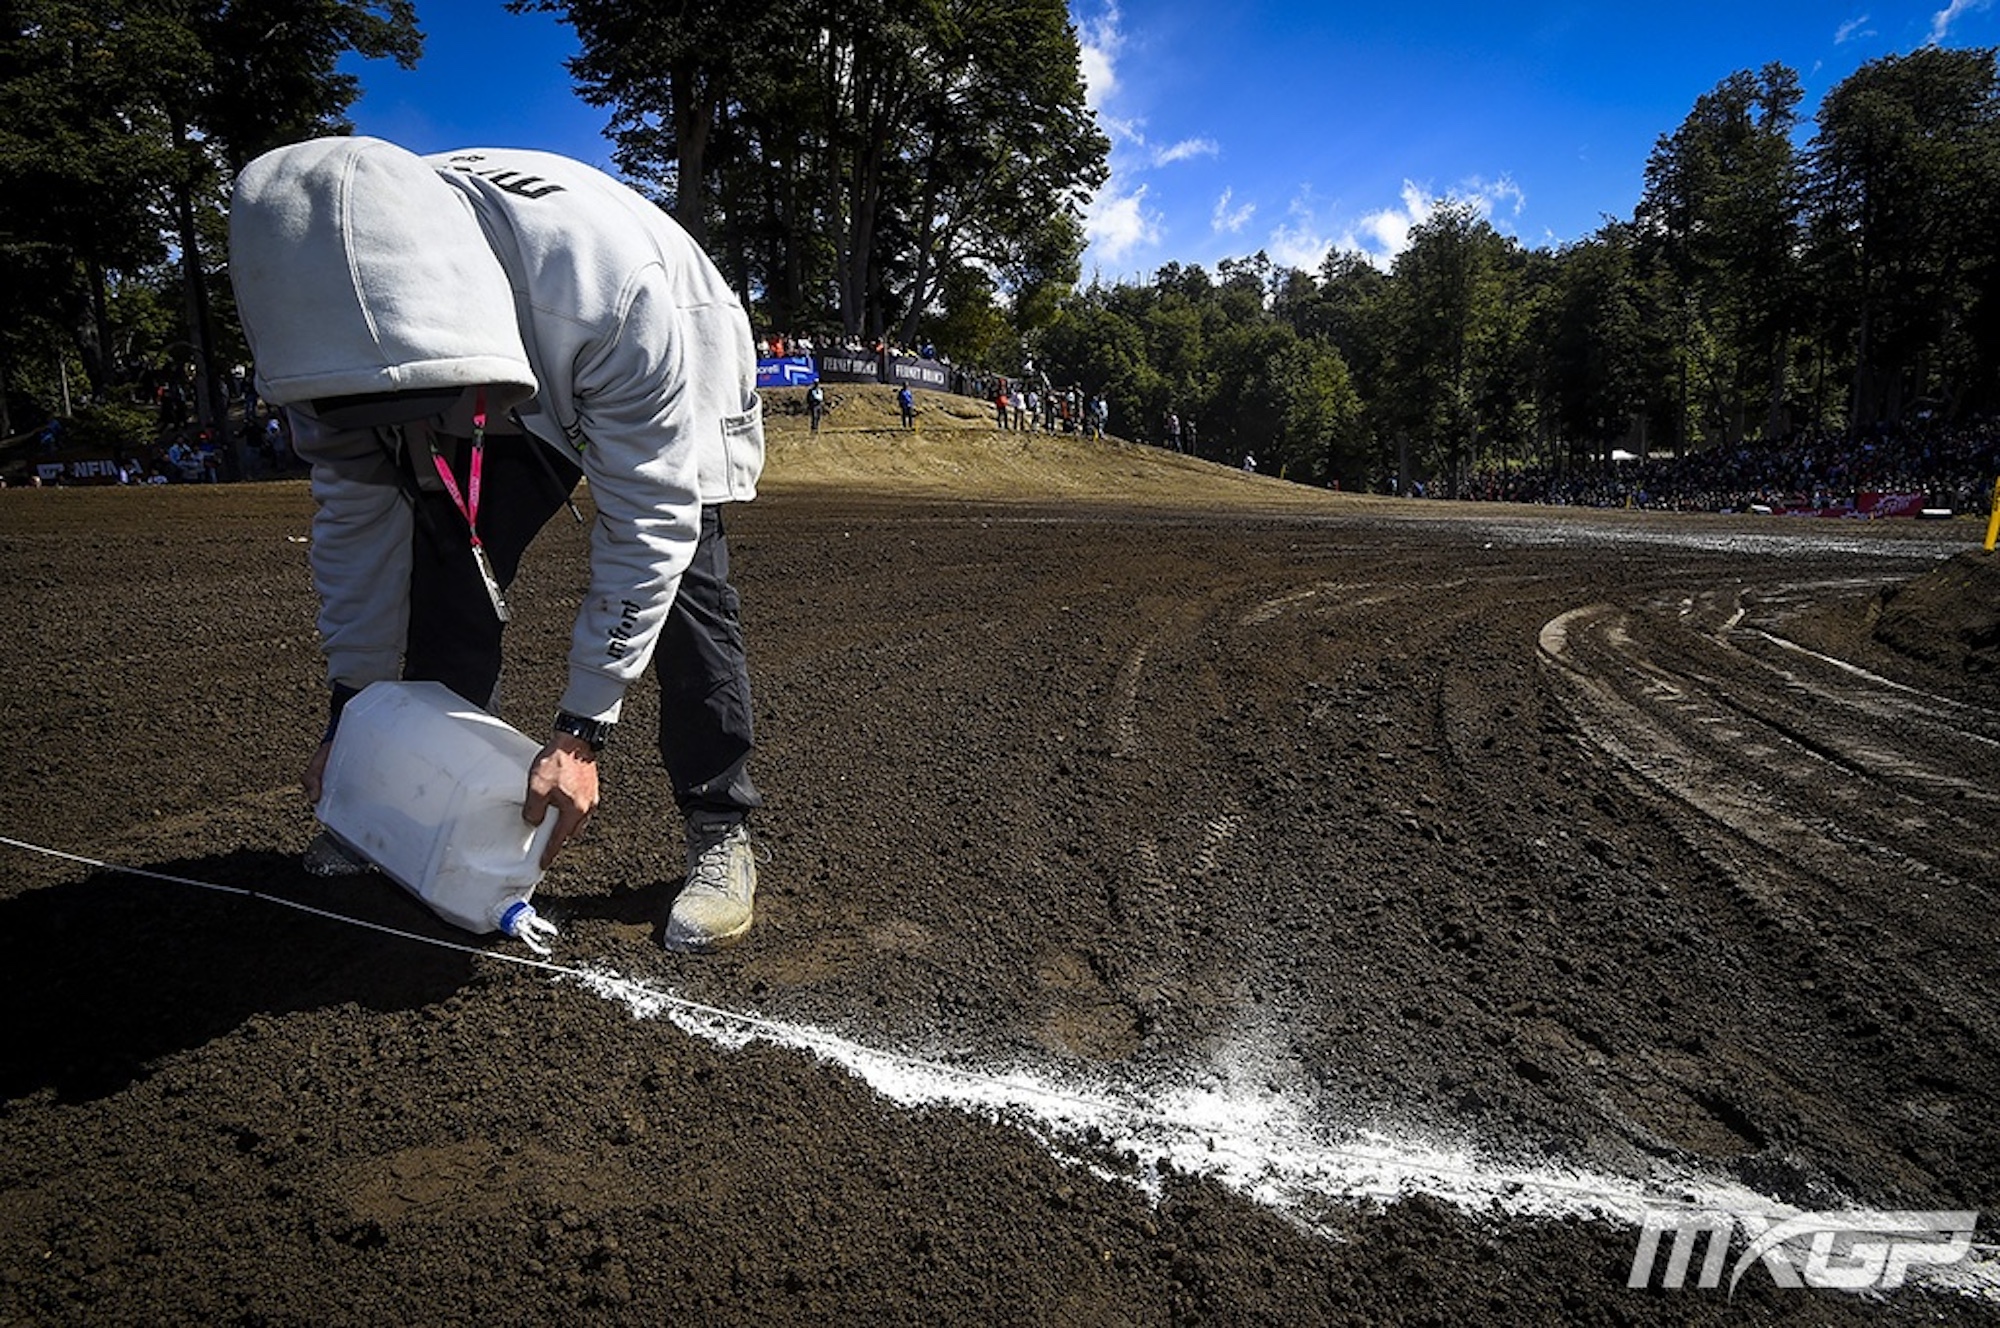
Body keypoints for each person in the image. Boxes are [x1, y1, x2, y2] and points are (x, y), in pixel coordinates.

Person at [229, 136, 766, 953]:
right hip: (505, 362)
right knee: (447, 562)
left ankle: (719, 827)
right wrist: (357, 716)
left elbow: (652, 520)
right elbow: (357, 524)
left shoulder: (604, 289)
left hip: (653, 345)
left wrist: (582, 730)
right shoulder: (314, 323)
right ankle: (415, 795)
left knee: (688, 588)